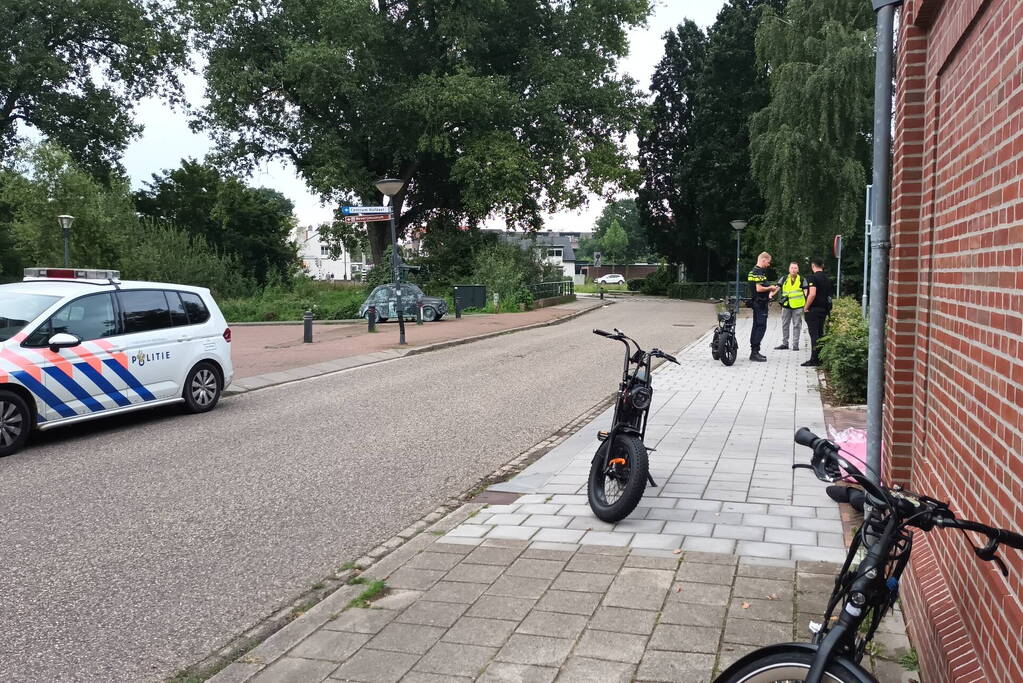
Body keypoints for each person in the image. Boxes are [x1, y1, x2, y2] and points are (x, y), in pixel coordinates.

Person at [747, 252, 779, 362]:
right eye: (768, 262)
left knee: (756, 326)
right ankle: (755, 352)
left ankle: (754, 351)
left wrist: (770, 293)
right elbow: (759, 288)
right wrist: (770, 288)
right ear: (763, 260)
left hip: (757, 303)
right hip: (760, 304)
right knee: (761, 326)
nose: (769, 265)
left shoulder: (752, 271)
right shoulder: (759, 272)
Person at [802, 257, 834, 367]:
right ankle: (820, 358)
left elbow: (812, 294)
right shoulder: (827, 279)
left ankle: (814, 359)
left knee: (814, 334)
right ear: (822, 266)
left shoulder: (812, 277)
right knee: (820, 333)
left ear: (813, 266)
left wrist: (806, 307)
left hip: (813, 310)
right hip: (824, 309)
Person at [774, 262, 808, 351]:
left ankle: (795, 345)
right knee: (785, 324)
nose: (793, 270)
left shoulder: (802, 279)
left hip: (798, 305)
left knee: (797, 325)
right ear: (789, 269)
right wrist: (771, 294)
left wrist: (807, 303)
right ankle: (785, 343)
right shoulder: (784, 278)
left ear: (798, 269)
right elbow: (777, 287)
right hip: (786, 305)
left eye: (795, 268)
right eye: (792, 268)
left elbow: (806, 292)